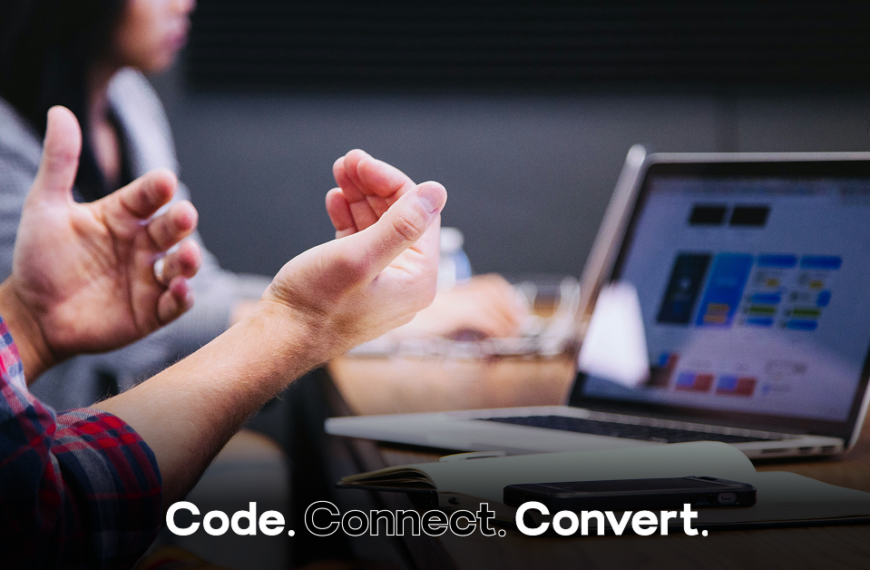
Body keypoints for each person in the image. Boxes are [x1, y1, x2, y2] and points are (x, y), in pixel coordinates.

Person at [0, 0, 525, 412]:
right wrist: (347, 319)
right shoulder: (8, 142)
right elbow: (143, 331)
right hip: (64, 460)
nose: (185, 3)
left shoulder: (129, 102)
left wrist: (343, 304)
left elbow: (190, 292)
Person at [1, 105, 447, 568]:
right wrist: (298, 323)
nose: (187, 25)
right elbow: (41, 510)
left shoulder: (131, 101)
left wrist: (27, 324)